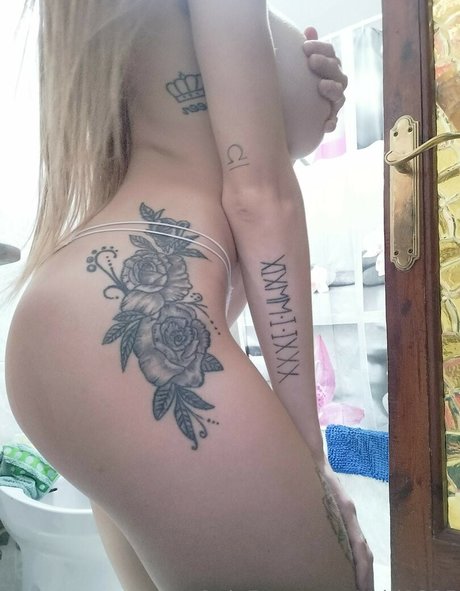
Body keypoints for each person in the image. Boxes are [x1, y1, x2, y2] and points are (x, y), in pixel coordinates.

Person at [6, 1, 373, 590]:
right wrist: (311, 452)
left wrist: (297, 89)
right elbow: (259, 196)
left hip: (73, 314)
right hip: (126, 317)